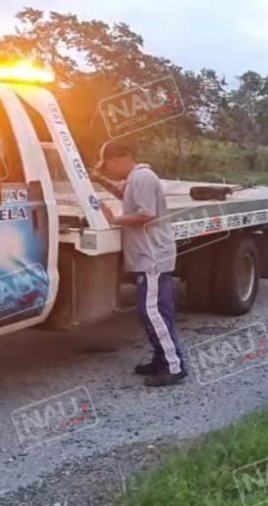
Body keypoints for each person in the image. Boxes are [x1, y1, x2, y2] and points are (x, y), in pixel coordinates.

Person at [95, 140, 186, 387]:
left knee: (153, 312)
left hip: (152, 257)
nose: (108, 171)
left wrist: (115, 219)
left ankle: (173, 364)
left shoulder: (143, 177)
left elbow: (146, 214)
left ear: (118, 159)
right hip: (150, 256)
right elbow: (125, 194)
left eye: (107, 166)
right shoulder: (136, 179)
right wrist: (98, 180)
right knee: (155, 312)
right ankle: (161, 359)